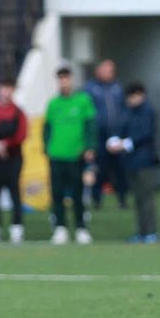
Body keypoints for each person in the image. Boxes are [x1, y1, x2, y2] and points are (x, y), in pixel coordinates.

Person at [43, 66, 95, 246]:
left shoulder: (82, 101)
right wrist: (47, 148)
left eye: (66, 78)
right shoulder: (53, 104)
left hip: (76, 155)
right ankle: (60, 228)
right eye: (60, 79)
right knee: (57, 193)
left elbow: (90, 125)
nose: (63, 82)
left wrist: (89, 147)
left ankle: (81, 227)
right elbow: (47, 128)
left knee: (78, 193)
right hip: (57, 155)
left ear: (71, 80)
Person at [116, 82, 160, 243]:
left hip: (144, 161)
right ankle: (141, 232)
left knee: (146, 198)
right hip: (130, 161)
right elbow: (122, 129)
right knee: (137, 199)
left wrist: (127, 144)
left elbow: (145, 134)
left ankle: (151, 232)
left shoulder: (147, 111)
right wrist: (116, 141)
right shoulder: (128, 112)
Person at [0, 79, 28, 243]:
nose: (6, 92)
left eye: (9, 88)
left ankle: (17, 227)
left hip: (13, 158)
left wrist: (6, 145)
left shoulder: (18, 112)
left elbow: (22, 135)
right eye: (4, 88)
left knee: (14, 193)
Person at [84, 59, 127, 211]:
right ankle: (97, 199)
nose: (110, 73)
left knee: (120, 168)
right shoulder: (90, 88)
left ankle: (122, 199)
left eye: (111, 70)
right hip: (99, 135)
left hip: (116, 134)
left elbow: (123, 109)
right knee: (99, 168)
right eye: (107, 69)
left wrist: (122, 131)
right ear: (99, 71)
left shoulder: (117, 87)